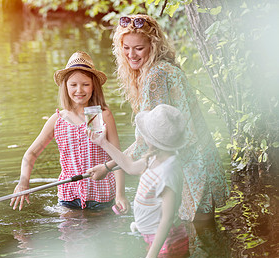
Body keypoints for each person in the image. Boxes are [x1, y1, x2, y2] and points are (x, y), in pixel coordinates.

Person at [88, 15, 228, 222]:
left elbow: (148, 142)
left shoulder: (156, 76)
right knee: (203, 237)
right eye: (126, 47)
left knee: (194, 237)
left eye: (138, 48)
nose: (131, 54)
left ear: (153, 46)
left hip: (188, 169)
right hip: (200, 162)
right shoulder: (164, 68)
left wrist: (107, 166)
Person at [10, 51, 127, 211]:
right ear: (65, 86)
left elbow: (118, 156)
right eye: (73, 85)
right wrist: (24, 182)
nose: (79, 90)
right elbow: (30, 154)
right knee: (69, 235)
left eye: (85, 84)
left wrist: (120, 194)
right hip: (68, 198)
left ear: (94, 86)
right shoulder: (57, 119)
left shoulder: (103, 115)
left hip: (102, 195)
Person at [87, 104, 189, 258]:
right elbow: (130, 167)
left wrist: (150, 257)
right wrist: (103, 143)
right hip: (154, 237)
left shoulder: (168, 172)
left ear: (153, 141)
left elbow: (167, 220)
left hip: (167, 242)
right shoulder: (156, 157)